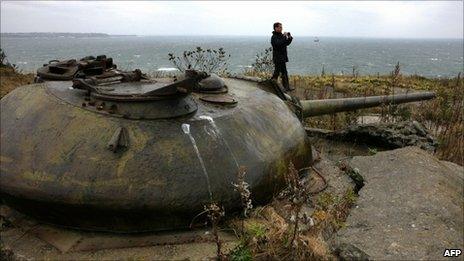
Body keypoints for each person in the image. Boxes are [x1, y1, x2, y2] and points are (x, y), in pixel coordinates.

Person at [271, 22, 293, 91]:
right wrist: (284, 37)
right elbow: (278, 44)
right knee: (277, 72)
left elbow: (286, 43)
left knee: (284, 72)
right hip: (278, 58)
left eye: (281, 27)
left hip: (282, 57)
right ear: (276, 28)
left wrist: (289, 38)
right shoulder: (274, 37)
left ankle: (286, 87)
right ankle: (271, 85)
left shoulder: (281, 36)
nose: (281, 28)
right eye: (280, 27)